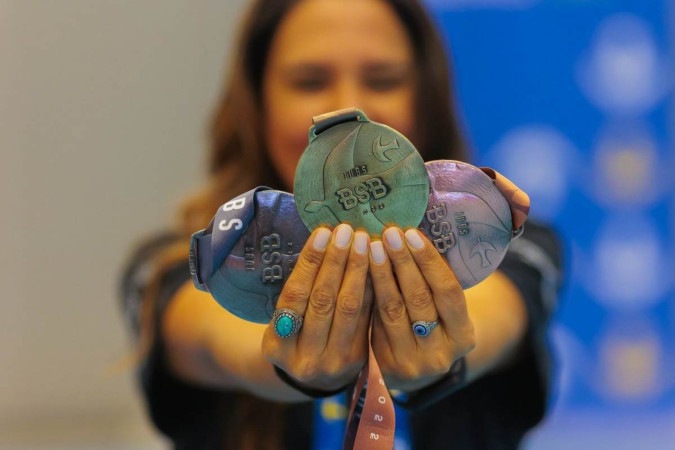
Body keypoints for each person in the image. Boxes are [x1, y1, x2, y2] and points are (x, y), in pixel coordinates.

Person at [120, 0, 564, 448]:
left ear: (426, 97)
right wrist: (288, 361)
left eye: (383, 79)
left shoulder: (503, 238)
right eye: (309, 81)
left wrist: (444, 352)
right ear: (258, 100)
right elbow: (213, 338)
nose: (348, 109)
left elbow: (496, 316)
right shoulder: (181, 262)